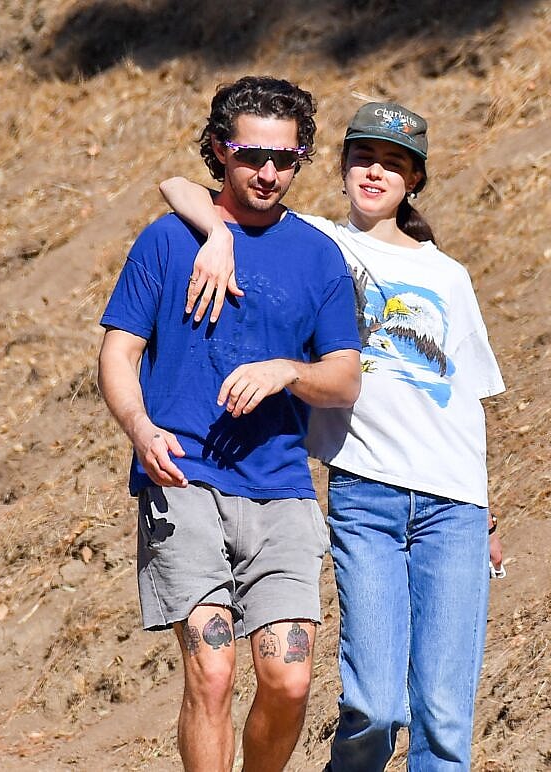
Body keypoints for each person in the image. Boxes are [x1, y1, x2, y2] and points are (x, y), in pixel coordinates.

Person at [161, 100, 506, 770]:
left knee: (443, 721)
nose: (376, 173)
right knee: (375, 709)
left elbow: (469, 401)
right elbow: (176, 187)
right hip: (366, 495)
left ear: (415, 182)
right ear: (342, 166)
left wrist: (489, 506)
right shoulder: (317, 242)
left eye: (395, 164)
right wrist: (222, 235)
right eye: (364, 158)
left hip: (455, 505)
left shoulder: (449, 276)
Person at [97, 76, 362, 772]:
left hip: (280, 489)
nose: (269, 173)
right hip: (183, 479)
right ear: (220, 150)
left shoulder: (318, 255)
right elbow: (118, 354)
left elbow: (344, 378)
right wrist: (140, 428)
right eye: (251, 155)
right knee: (212, 673)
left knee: (289, 680)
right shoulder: (167, 241)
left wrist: (288, 371)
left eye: (286, 158)